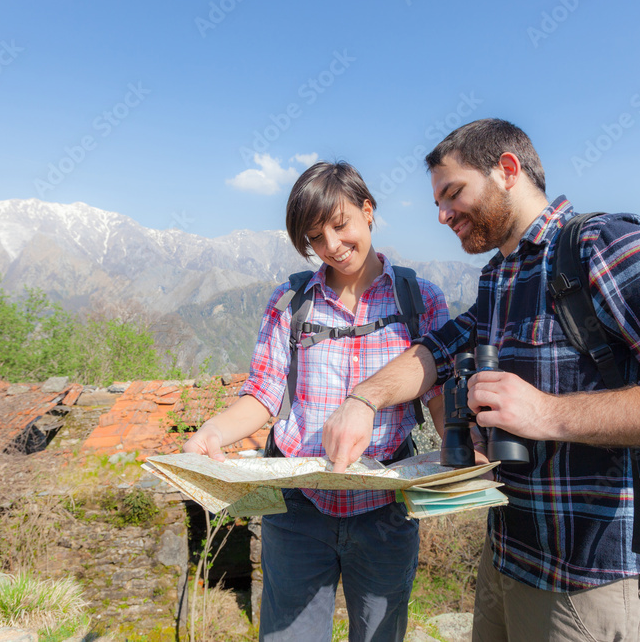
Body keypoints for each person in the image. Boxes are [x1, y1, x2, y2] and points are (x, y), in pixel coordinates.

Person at [322, 119, 640, 641]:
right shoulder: (501, 276)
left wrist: (546, 413)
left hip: (589, 580)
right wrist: (364, 400)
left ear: (507, 170)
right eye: (437, 202)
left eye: (452, 193)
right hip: (505, 560)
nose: (443, 214)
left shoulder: (605, 244)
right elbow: (437, 352)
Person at [182, 160, 449, 642]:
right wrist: (213, 433)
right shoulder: (291, 300)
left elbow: (438, 393)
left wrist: (459, 448)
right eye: (315, 238)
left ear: (368, 211)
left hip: (385, 507)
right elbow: (263, 394)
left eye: (341, 225)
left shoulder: (418, 300)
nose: (332, 247)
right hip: (298, 510)